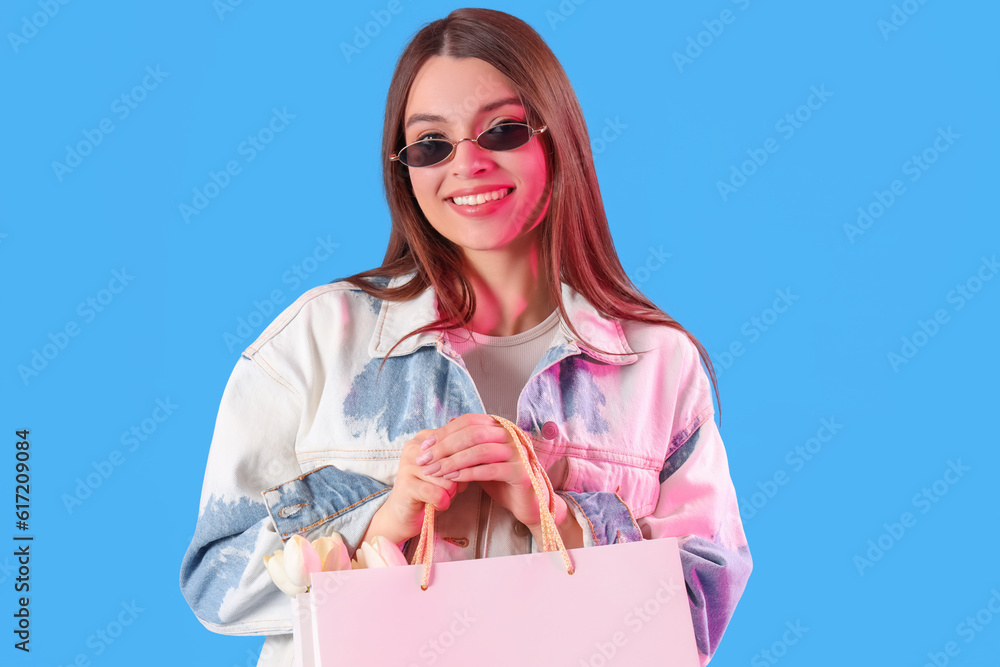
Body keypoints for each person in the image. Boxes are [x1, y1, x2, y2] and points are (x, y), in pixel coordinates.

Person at [180, 8, 751, 666]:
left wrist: (561, 518)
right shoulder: (318, 339)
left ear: (556, 137)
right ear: (405, 168)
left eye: (502, 131)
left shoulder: (658, 365)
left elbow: (697, 610)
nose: (468, 164)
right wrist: (385, 516)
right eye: (431, 144)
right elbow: (216, 581)